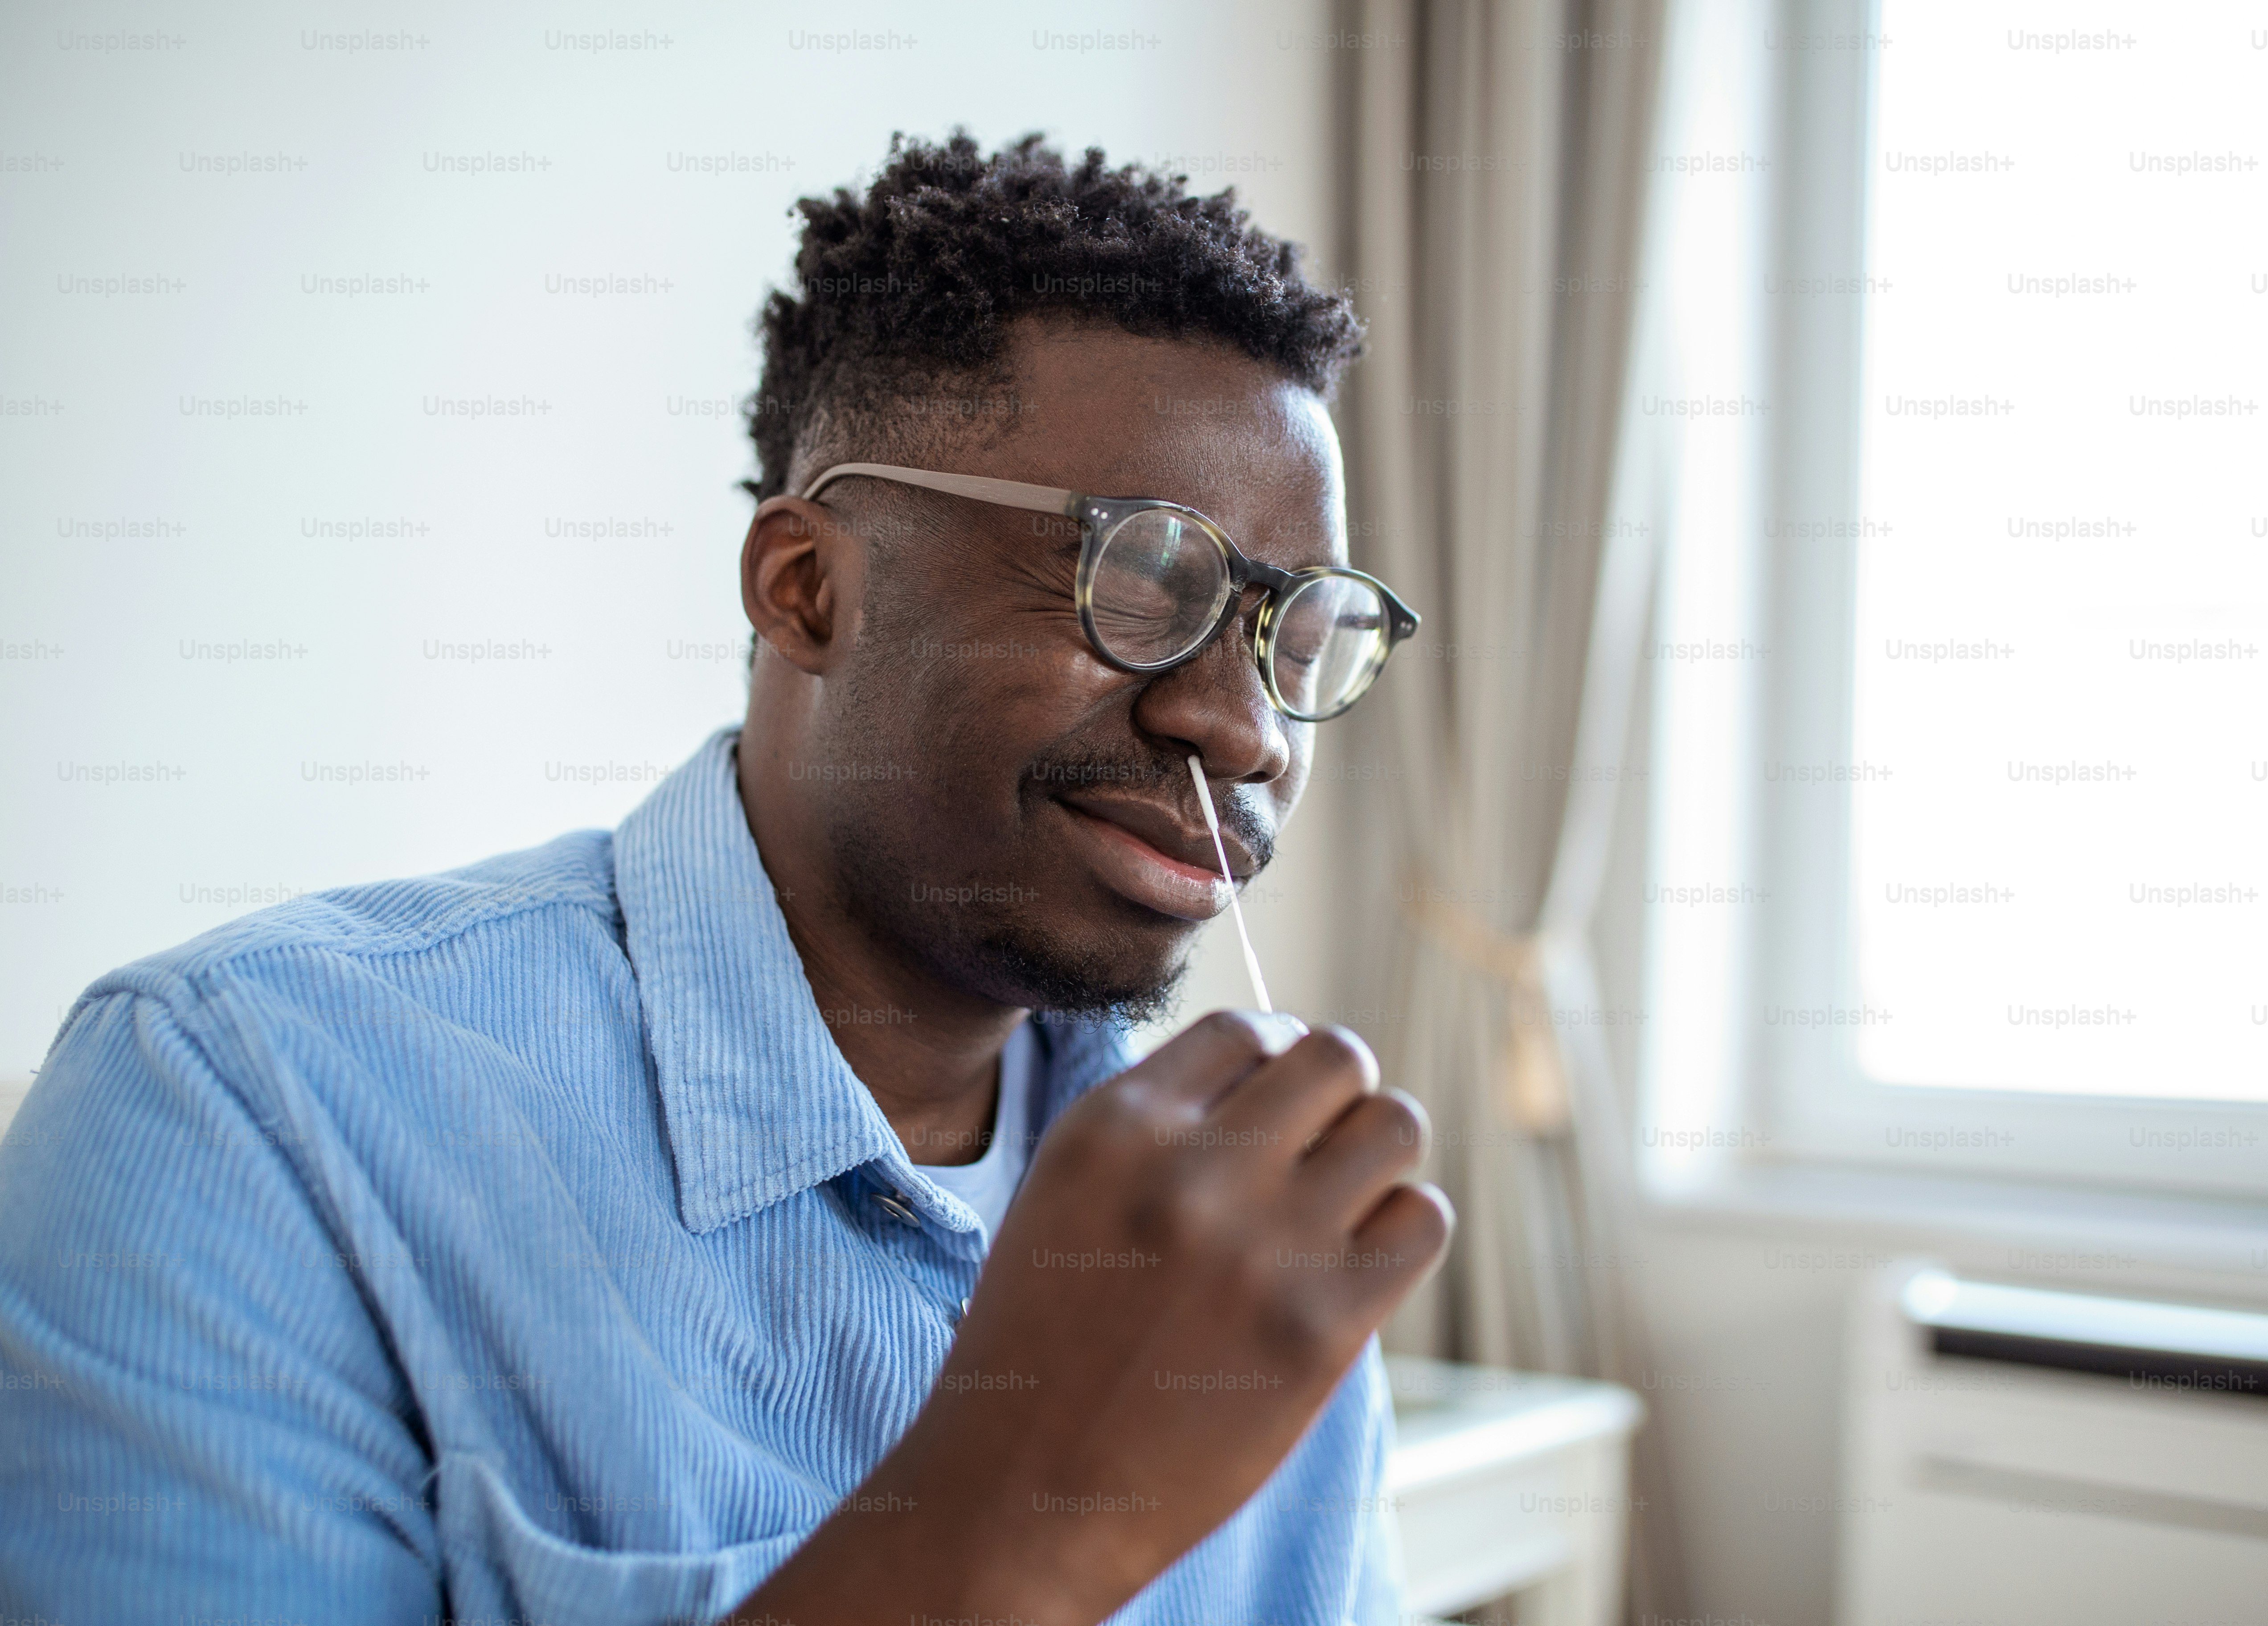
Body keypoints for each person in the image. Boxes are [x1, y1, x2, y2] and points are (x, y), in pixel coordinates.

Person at [0, 132, 1449, 1625]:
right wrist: (1026, 1529)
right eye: (1142, 579)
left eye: (1297, 632)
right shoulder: (245, 1111)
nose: (1246, 732)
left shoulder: (1242, 1219)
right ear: (807, 590)